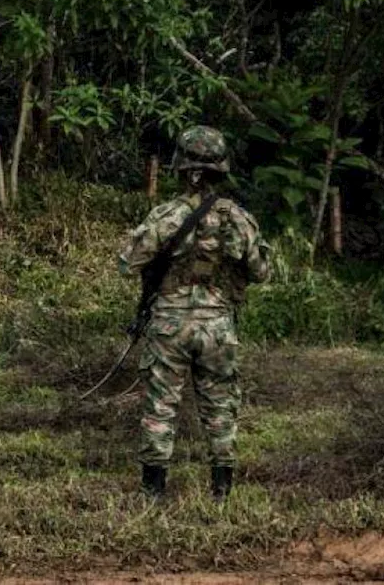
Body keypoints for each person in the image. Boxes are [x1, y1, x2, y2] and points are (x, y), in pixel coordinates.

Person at [118, 126, 271, 502]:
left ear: (182, 169)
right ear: (221, 170)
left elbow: (128, 263)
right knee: (221, 406)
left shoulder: (165, 216)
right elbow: (262, 272)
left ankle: (152, 494)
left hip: (169, 322)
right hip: (217, 323)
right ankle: (222, 493)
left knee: (160, 408)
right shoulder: (238, 218)